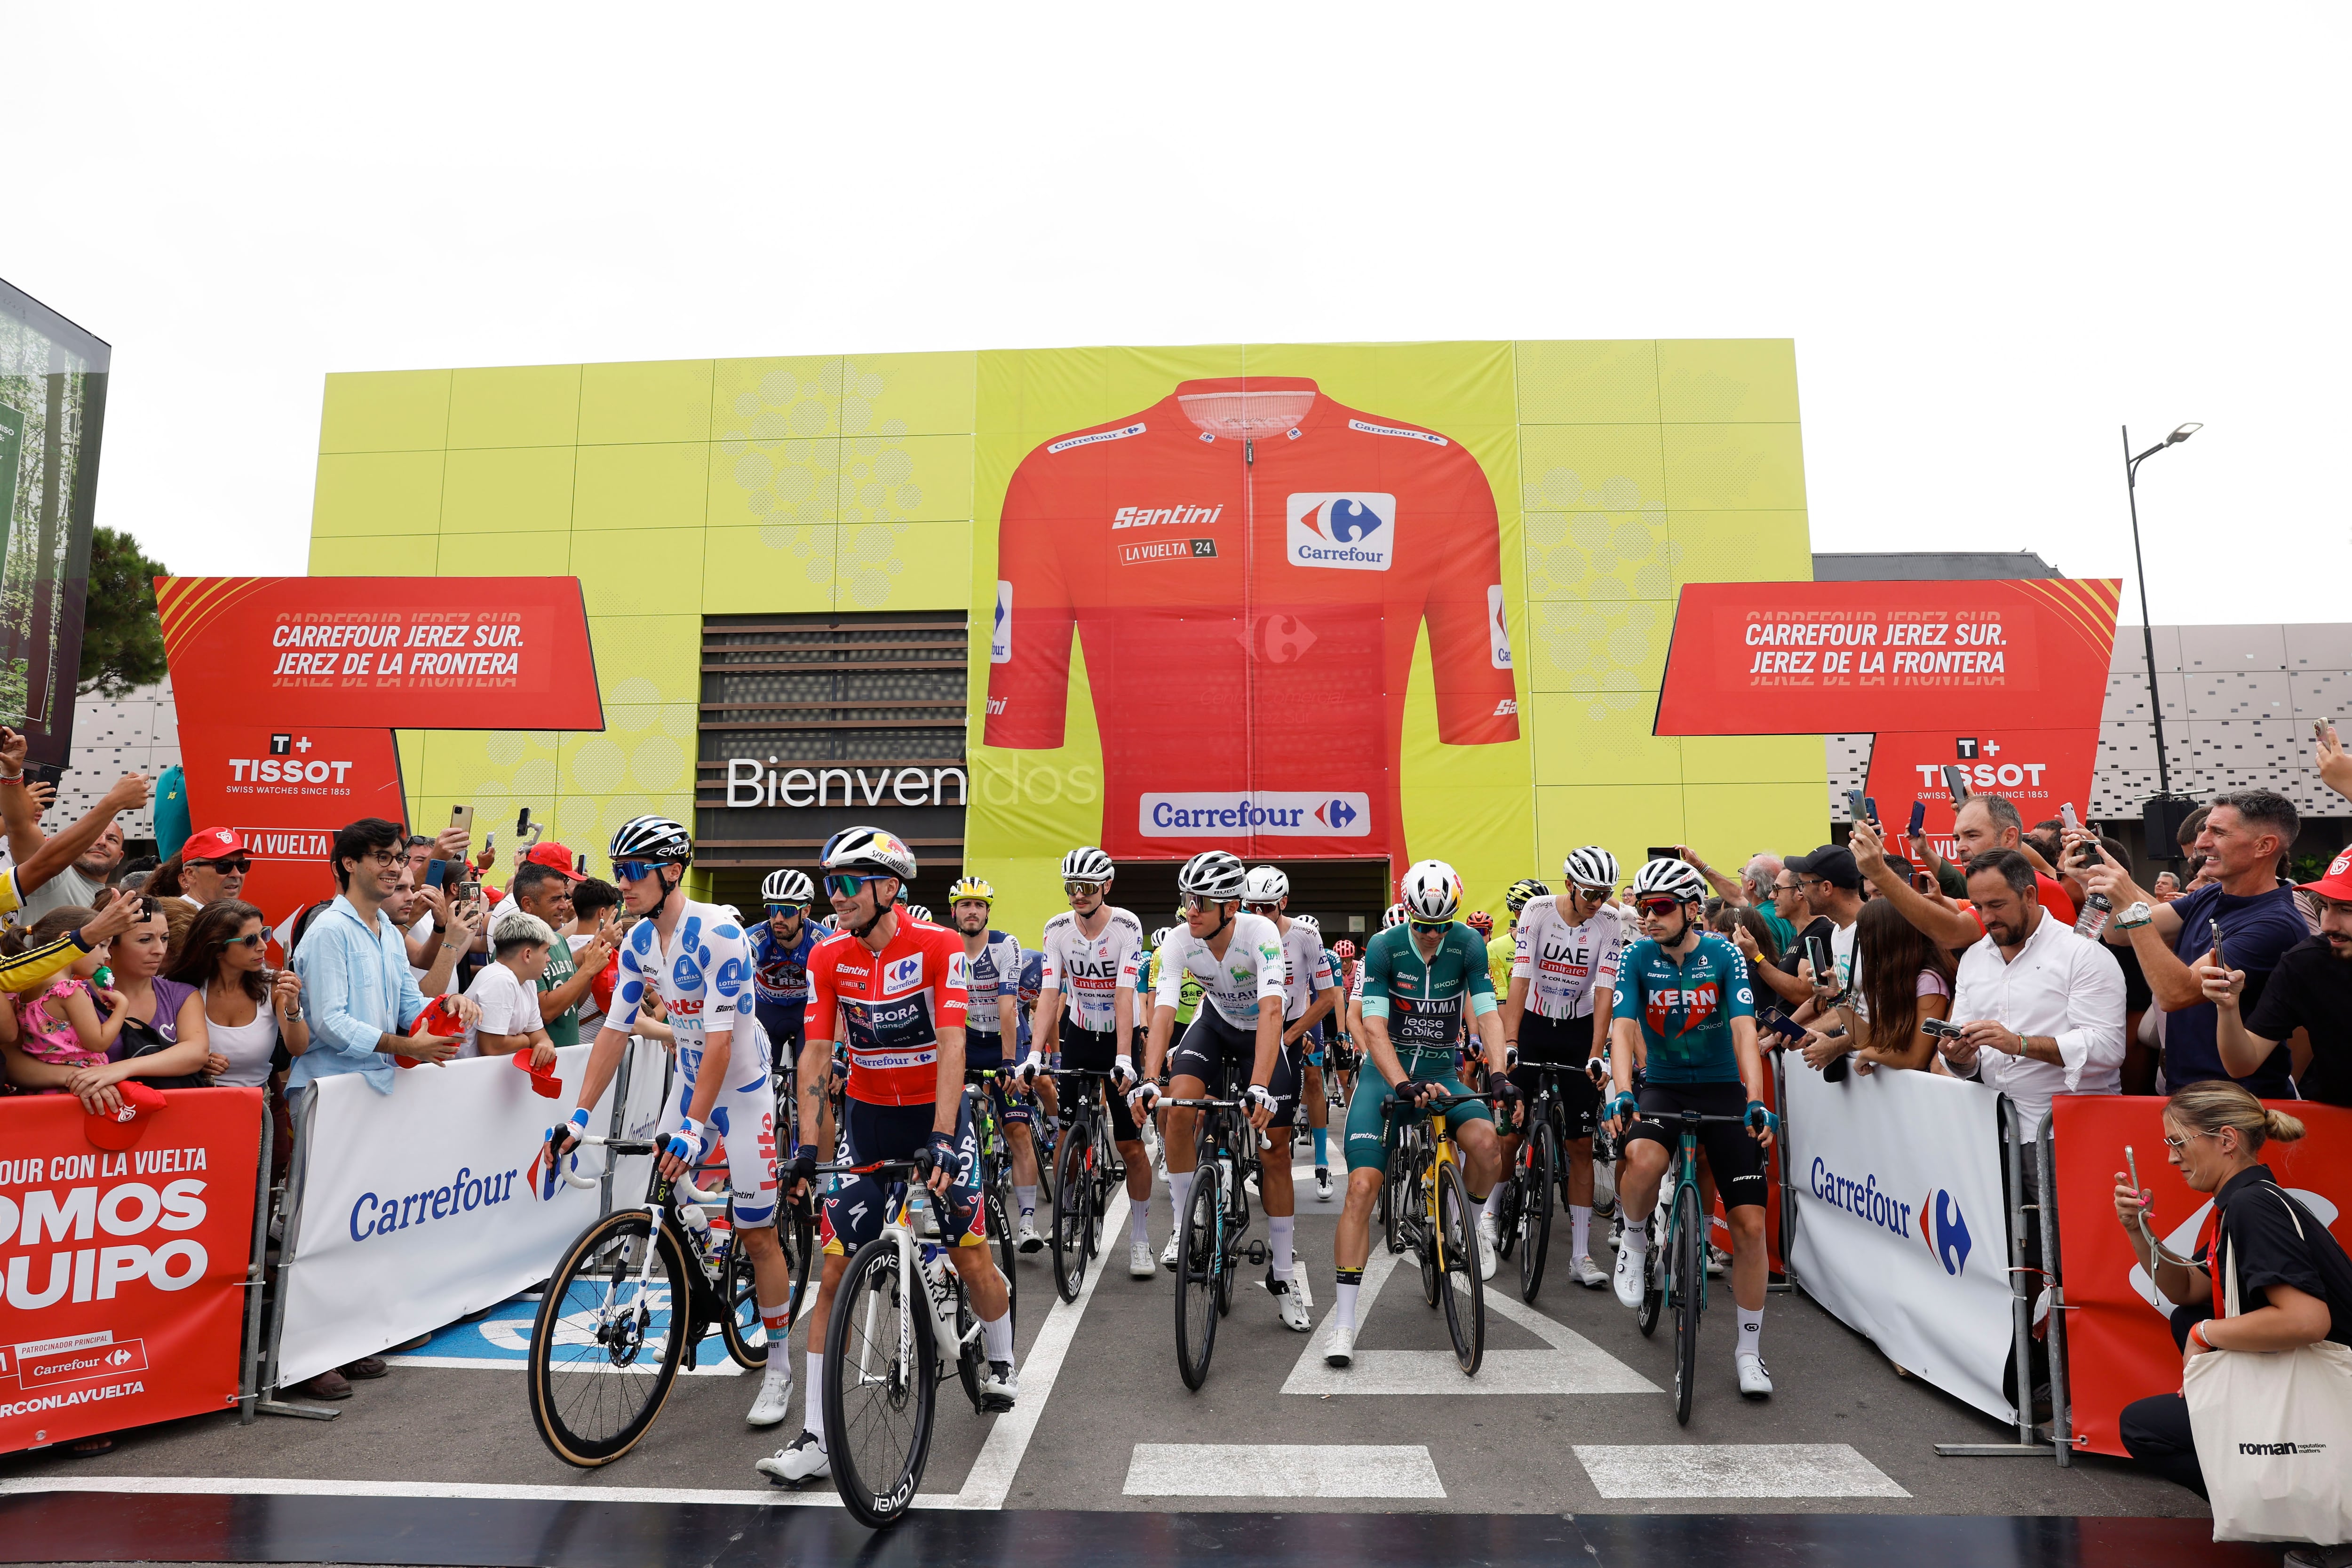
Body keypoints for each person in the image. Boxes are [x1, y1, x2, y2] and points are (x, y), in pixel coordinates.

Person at [761, 825, 1011, 1486]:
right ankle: (816, 1435)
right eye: (829, 884)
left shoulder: (938, 947)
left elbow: (953, 1043)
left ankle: (1002, 1355)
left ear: (888, 887)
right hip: (869, 1122)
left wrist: (945, 1133)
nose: (834, 896)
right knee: (836, 1275)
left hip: (937, 1114)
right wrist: (807, 1148)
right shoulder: (828, 956)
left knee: (971, 1255)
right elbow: (816, 1055)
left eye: (846, 883)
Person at [2114, 1080, 2352, 1565]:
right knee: (2188, 1317)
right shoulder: (2242, 1200)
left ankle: (2313, 1530)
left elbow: (2307, 1320)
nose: (2169, 1158)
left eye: (2177, 1143)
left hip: (2332, 1398)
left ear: (2225, 1140)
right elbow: (2187, 1289)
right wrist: (2137, 1230)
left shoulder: (2251, 1207)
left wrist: (2205, 1335)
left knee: (2142, 1427)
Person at [1318, 859, 1507, 1366]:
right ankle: (1342, 1325)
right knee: (1361, 1188)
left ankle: (1462, 1222)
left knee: (1489, 1149)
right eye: (1421, 925)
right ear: (1406, 915)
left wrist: (1498, 1072)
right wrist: (1402, 1081)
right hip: (1389, 1074)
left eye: (1440, 925)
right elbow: (1373, 1028)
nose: (1430, 936)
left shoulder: (1468, 945)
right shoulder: (1383, 947)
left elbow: (1487, 1013)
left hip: (1443, 1073)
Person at [1604, 858, 1777, 1396]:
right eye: (1641, 908)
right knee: (1643, 1160)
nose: (1647, 918)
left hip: (1723, 1087)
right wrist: (1623, 1090)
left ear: (1690, 910)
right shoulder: (1635, 956)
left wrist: (1754, 1100)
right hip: (1663, 1085)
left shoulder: (1723, 955)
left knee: (1750, 1228)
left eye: (1658, 909)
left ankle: (1749, 1353)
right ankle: (1634, 1242)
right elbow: (1621, 1027)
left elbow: (1745, 1031)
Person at [1130, 850, 1311, 1329]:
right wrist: (1149, 1079)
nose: (1190, 909)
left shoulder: (1261, 934)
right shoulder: (1177, 942)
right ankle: (1188, 1223)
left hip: (1261, 1034)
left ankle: (1284, 1272)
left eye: (1201, 902)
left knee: (1274, 1150)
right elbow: (1164, 1010)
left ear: (1231, 907)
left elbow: (1273, 1011)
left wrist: (1258, 1086)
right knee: (1177, 1108)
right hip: (1215, 1024)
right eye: (1187, 899)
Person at [2077, 790, 2311, 1097]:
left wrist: (2129, 905)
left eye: (2219, 832)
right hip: (2189, 1090)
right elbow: (2118, 933)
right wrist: (2091, 879)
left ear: (2264, 846)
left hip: (2238, 1100)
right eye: (2206, 830)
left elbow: (2176, 993)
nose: (2201, 843)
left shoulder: (2275, 923)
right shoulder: (2212, 894)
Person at [1928, 849, 2125, 1136]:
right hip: (1997, 1133)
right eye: (1978, 906)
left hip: (2071, 1132)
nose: (1987, 917)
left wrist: (2020, 1044)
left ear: (2030, 896)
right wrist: (1960, 1057)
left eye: (1997, 905)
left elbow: (2107, 1049)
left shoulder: (2082, 953)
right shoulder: (1974, 958)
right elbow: (1970, 1058)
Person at [1501, 845, 1622, 1289]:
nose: (1598, 901)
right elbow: (1521, 977)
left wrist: (1597, 1050)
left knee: (1580, 1144)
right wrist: (1510, 1041)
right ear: (1570, 884)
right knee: (1511, 1130)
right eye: (1591, 892)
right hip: (1533, 1021)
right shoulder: (1536, 911)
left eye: (1605, 893)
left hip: (1578, 1027)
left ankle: (1580, 1255)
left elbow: (1606, 988)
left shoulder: (1609, 922)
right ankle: (1489, 1215)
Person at [289, 819, 482, 1098]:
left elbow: (409, 1004)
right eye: (382, 857)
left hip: (380, 1086)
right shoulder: (329, 929)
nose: (394, 868)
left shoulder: (390, 932)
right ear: (348, 864)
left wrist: (447, 1004)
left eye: (398, 858)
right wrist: (407, 1047)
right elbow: (331, 1023)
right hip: (330, 1087)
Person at [1028, 847, 1148, 1260]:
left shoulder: (1127, 925)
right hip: (1079, 1031)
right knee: (1065, 1134)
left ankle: (1140, 1237)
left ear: (1106, 886)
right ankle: (1064, 1213)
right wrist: (1033, 1052)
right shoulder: (1057, 928)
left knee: (1131, 1145)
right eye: (1071, 887)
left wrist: (1125, 1057)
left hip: (1120, 1035)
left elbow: (1124, 992)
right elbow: (1049, 992)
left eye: (1086, 887)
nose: (1078, 895)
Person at [950, 876, 1053, 1264]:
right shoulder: (948, 947)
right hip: (965, 1039)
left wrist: (1009, 1063)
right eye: (965, 904)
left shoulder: (1004, 945)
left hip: (1004, 1041)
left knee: (1017, 1130)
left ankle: (1026, 1220)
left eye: (979, 905)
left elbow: (1008, 1006)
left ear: (987, 911)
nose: (972, 910)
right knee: (946, 1122)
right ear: (955, 911)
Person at [2202, 844, 2352, 1105]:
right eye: (2326, 906)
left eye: (2347, 910)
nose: (2327, 924)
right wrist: (2228, 1008)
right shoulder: (2305, 963)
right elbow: (2243, 1064)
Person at [1849, 796, 2078, 952]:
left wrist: (1880, 874)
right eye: (1958, 838)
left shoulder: (2034, 885)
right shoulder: (1995, 887)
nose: (1960, 847)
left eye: (1973, 836)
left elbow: (1952, 933)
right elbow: (1955, 908)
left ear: (2009, 837)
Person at [1243, 866, 1340, 1207]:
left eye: (1267, 907)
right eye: (1250, 907)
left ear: (1284, 902)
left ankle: (1323, 1163)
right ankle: (1251, 1150)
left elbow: (1329, 997)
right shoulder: (1240, 932)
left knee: (1313, 1082)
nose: (1258, 915)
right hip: (1254, 1021)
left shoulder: (1305, 935)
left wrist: (1290, 1037)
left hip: (1296, 1020)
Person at [1801, 897, 1954, 1075]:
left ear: (1886, 937)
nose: (1861, 943)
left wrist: (1869, 1054)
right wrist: (1836, 997)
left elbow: (1916, 1059)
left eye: (1865, 935)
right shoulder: (1893, 976)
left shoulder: (1928, 981)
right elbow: (1868, 1038)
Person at [166, 900, 307, 1089]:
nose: (263, 946)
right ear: (217, 949)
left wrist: (293, 1007)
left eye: (264, 934)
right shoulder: (184, 988)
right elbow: (161, 1046)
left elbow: (298, 1048)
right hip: (197, 1099)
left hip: (256, 1104)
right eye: (250, 941)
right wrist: (196, 1061)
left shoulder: (273, 985)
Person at [508, 851, 613, 1049]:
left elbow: (573, 1005)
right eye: (555, 899)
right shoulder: (517, 948)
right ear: (528, 904)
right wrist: (587, 970)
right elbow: (546, 1012)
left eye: (564, 897)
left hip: (568, 1057)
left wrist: (591, 971)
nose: (565, 906)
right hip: (540, 1065)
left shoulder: (559, 941)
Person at [1753, 843, 1862, 1016]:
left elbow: (1878, 1019)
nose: (1802, 893)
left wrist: (1756, 958)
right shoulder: (1837, 933)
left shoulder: (1871, 931)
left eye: (1803, 885)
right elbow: (1836, 1004)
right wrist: (1786, 1032)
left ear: (1826, 888)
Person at [461, 907, 562, 1065]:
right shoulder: (501, 980)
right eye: (546, 952)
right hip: (466, 1079)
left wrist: (545, 1043)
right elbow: (491, 1047)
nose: (549, 959)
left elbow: (536, 1031)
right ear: (527, 955)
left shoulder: (527, 980)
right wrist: (526, 1040)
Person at [16, 818, 125, 922]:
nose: (102, 842)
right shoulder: (51, 873)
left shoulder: (113, 900)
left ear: (120, 858)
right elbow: (21, 825)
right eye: (94, 835)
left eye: (112, 839)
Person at [146, 826, 249, 907]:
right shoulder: (166, 922)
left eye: (242, 865)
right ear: (190, 874)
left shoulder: (243, 920)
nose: (236, 874)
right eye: (223, 866)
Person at [1492, 878, 1549, 997]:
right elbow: (1501, 999)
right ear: (1519, 915)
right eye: (1537, 913)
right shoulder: (1496, 948)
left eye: (1548, 912)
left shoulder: (1560, 942)